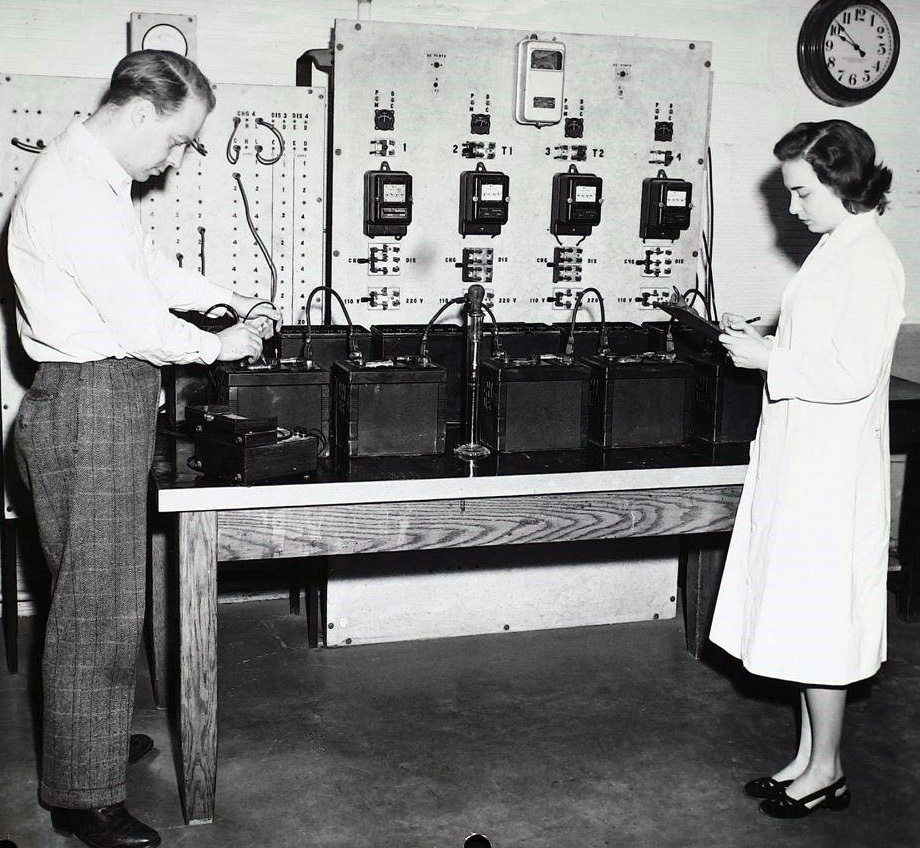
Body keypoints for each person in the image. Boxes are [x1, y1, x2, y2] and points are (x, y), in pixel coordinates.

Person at [7, 50, 279, 847]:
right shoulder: (73, 191)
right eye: (175, 142)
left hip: (99, 400)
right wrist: (227, 344)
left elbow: (145, 271)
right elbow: (137, 323)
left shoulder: (89, 179)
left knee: (97, 596)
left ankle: (81, 743)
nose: (173, 162)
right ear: (137, 114)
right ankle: (82, 797)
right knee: (99, 605)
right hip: (91, 401)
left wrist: (216, 297)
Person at [709, 120, 904, 819]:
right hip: (803, 459)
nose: (791, 208)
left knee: (821, 623)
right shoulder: (835, 250)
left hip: (830, 473)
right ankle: (805, 759)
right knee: (799, 613)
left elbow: (851, 373)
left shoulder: (870, 261)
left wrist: (770, 361)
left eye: (801, 192)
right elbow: (822, 339)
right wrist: (767, 334)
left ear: (842, 181)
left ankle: (827, 769)